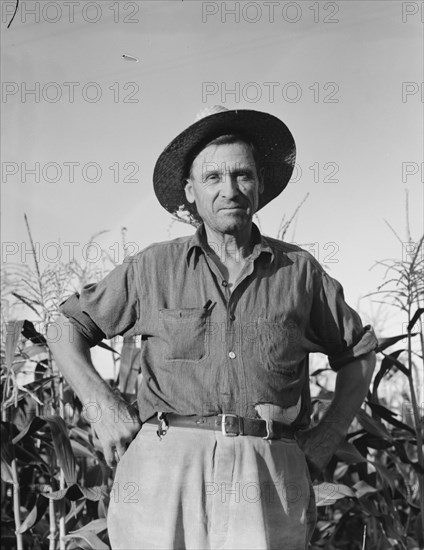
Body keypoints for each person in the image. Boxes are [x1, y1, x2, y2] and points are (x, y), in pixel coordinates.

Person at [48, 106, 377, 550]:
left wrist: (327, 438)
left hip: (270, 474)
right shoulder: (152, 267)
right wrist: (101, 405)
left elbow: (357, 352)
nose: (231, 190)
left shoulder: (300, 273)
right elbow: (65, 328)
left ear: (259, 184)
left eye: (243, 175)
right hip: (164, 468)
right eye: (213, 178)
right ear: (190, 191)